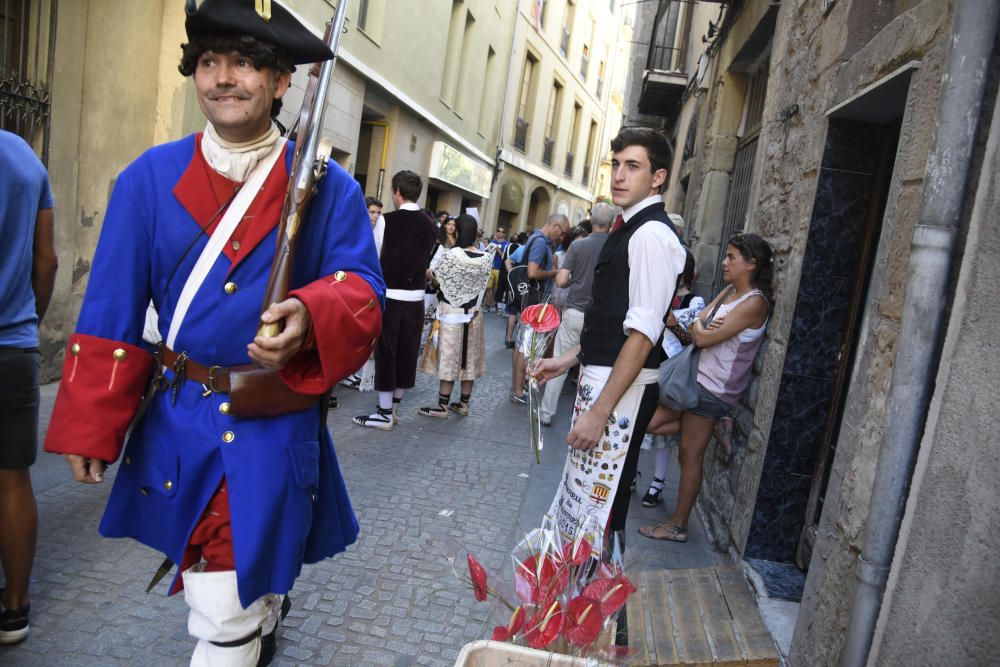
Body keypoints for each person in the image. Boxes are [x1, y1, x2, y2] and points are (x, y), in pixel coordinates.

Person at [42, 3, 384, 664]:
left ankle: (254, 614)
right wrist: (91, 423)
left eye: (246, 63)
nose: (224, 78)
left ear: (282, 81)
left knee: (223, 615)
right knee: (229, 595)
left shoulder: (329, 186)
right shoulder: (149, 178)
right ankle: (261, 608)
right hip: (182, 420)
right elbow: (111, 307)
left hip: (272, 421)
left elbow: (362, 291)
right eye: (209, 62)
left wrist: (310, 313)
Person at [532, 127, 686, 544]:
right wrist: (565, 361)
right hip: (607, 383)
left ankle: (600, 607)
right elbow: (613, 322)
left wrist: (600, 411)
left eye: (632, 166)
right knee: (585, 510)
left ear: (658, 177)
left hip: (623, 393)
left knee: (600, 514)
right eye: (616, 164)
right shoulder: (629, 227)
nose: (619, 175)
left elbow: (641, 335)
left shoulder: (651, 235)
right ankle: (581, 605)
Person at [638, 233, 772, 542]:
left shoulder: (754, 303)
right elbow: (700, 319)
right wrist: (702, 327)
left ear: (751, 265)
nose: (725, 262)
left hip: (713, 389)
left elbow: (700, 336)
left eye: (732, 257)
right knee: (651, 423)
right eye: (726, 255)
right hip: (695, 381)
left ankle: (677, 526)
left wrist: (702, 328)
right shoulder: (728, 292)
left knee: (689, 455)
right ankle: (713, 426)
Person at [0, 131, 57, 645]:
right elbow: (47, 261)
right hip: (12, 349)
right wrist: (28, 323)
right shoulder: (22, 156)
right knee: (12, 479)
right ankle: (14, 607)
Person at [353, 170, 437, 431]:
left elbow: (375, 256)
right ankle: (395, 408)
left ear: (397, 192)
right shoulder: (430, 224)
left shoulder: (386, 221)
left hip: (391, 294)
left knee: (387, 352)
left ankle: (384, 412)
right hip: (417, 297)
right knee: (408, 350)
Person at [537, 204, 613, 427]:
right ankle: (584, 416)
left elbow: (560, 280)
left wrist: (575, 280)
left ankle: (546, 412)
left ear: (591, 220)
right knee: (592, 368)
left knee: (560, 361)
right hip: (600, 316)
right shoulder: (616, 246)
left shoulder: (578, 245)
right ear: (611, 223)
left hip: (574, 312)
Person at [639, 247, 704, 507]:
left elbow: (695, 342)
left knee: (662, 435)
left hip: (673, 372)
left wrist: (674, 324)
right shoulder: (656, 295)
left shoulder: (694, 302)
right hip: (646, 366)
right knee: (638, 422)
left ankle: (657, 484)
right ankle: (631, 473)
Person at [417, 215, 494, 418]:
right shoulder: (486, 258)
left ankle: (442, 405)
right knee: (469, 358)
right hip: (474, 314)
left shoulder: (452, 255)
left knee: (450, 357)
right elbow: (482, 287)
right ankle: (463, 404)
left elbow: (438, 278)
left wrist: (428, 273)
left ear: (458, 231)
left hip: (451, 313)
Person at [510, 213, 569, 404]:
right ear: (556, 227)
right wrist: (555, 272)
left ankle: (518, 389)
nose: (562, 238)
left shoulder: (538, 239)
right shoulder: (540, 242)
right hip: (534, 302)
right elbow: (533, 272)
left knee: (522, 347)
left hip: (531, 301)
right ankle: (519, 392)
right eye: (562, 233)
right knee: (525, 349)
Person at [339, 194, 386, 394]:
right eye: (371, 212)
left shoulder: (379, 233)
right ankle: (342, 372)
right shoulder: (354, 231)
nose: (375, 216)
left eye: (378, 213)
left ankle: (349, 370)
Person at [501, 231, 528, 347]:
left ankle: (508, 338)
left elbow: (507, 261)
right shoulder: (534, 250)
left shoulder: (521, 249)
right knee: (524, 310)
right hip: (528, 284)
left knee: (513, 310)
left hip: (516, 283)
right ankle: (520, 341)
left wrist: (511, 274)